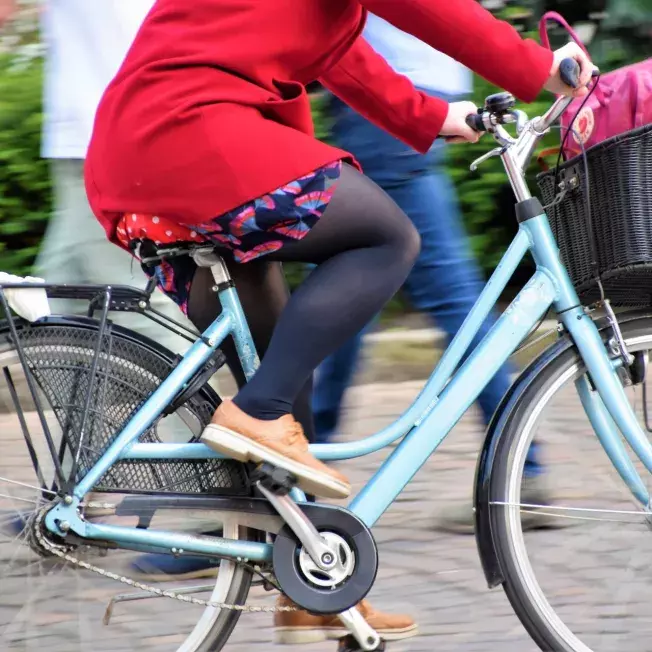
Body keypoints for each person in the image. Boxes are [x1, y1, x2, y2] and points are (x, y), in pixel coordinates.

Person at [85, 0, 591, 639]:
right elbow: (428, 9)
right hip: (187, 136)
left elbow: (341, 53)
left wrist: (438, 117)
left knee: (290, 375)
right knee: (385, 240)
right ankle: (258, 413)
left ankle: (312, 584)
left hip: (160, 145)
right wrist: (537, 67)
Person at [310, 15, 550, 534]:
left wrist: (538, 68)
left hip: (386, 106)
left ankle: (521, 470)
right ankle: (308, 460)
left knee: (422, 299)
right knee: (356, 294)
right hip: (415, 103)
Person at [1, 0, 190, 352]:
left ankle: (195, 404)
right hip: (92, 140)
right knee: (59, 308)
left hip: (109, 137)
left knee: (131, 305)